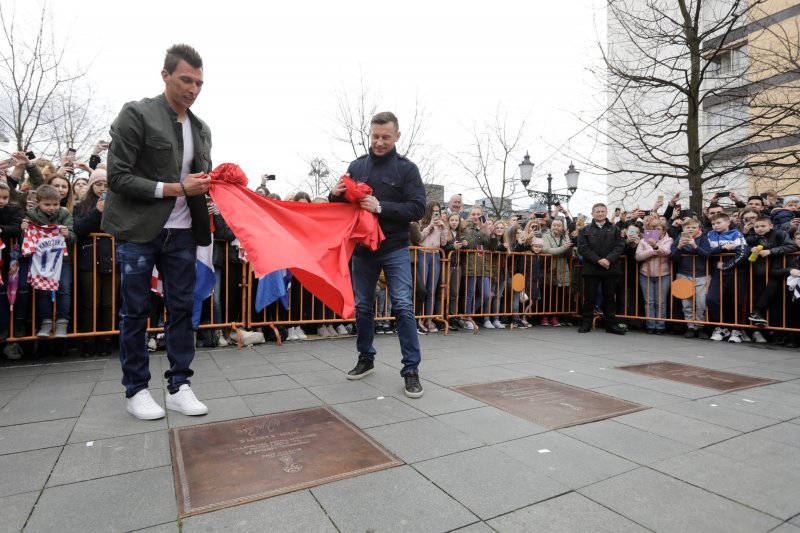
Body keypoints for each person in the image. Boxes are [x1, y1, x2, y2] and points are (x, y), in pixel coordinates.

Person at [102, 44, 212, 420]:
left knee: (182, 310)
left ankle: (180, 384)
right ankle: (136, 390)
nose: (193, 89)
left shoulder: (201, 128)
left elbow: (198, 181)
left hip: (183, 232)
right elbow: (117, 177)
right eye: (186, 79)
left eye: (199, 82)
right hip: (140, 230)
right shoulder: (137, 114)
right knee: (135, 312)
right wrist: (176, 188)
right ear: (165, 75)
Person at [330, 111, 426, 398]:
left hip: (395, 247)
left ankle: (411, 369)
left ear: (397, 136)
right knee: (362, 306)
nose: (379, 142)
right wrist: (335, 195)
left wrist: (381, 206)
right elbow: (343, 207)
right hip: (362, 249)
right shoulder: (356, 166)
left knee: (403, 306)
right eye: (375, 136)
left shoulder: (407, 169)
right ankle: (366, 358)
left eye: (385, 137)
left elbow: (418, 208)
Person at [576, 203, 626, 334]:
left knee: (609, 297)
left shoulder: (615, 229)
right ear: (592, 213)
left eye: (602, 211)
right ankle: (586, 323)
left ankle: (610, 324)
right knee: (589, 297)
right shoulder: (584, 230)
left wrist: (608, 259)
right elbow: (582, 248)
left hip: (610, 268)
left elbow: (619, 246)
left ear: (606, 212)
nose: (600, 213)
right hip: (591, 269)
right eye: (597, 211)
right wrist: (598, 260)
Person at [746, 215, 797, 343]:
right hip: (758, 274)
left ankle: (775, 330)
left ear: (771, 226)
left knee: (777, 303)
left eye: (763, 226)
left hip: (777, 271)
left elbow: (792, 247)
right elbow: (742, 249)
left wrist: (772, 251)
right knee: (764, 298)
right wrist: (750, 249)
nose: (760, 229)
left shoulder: (780, 234)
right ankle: (765, 325)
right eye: (757, 226)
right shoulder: (752, 238)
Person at [706, 213, 749, 343]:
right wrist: (721, 249)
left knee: (737, 302)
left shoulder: (736, 234)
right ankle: (721, 328)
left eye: (718, 223)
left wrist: (726, 266)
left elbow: (743, 253)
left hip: (737, 273)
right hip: (717, 274)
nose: (715, 226)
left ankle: (737, 330)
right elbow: (706, 252)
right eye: (713, 224)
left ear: (727, 222)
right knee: (712, 299)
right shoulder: (709, 235)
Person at [670, 218, 711, 339]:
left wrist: (694, 246)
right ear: (683, 229)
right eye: (688, 227)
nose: (691, 229)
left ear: (699, 228)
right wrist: (679, 247)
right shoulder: (679, 239)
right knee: (686, 303)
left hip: (702, 275)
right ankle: (690, 326)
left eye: (693, 227)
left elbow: (707, 255)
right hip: (684, 274)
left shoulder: (703, 238)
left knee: (701, 302)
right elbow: (672, 258)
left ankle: (700, 326)